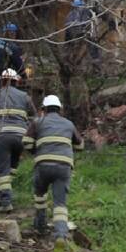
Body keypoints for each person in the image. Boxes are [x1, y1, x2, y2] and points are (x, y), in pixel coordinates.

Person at [24, 94, 84, 238]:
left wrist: (36, 152)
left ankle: (40, 226)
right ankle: (61, 235)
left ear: (43, 109)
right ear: (60, 109)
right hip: (63, 166)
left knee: (40, 195)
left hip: (43, 165)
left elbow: (26, 142)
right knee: (60, 203)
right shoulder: (69, 124)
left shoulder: (38, 122)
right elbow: (80, 145)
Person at [0, 68, 36, 210]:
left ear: (2, 81)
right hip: (21, 137)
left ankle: (6, 202)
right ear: (16, 81)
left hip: (2, 137)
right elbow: (35, 119)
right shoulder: (25, 96)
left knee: (3, 170)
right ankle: (5, 193)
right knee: (12, 167)